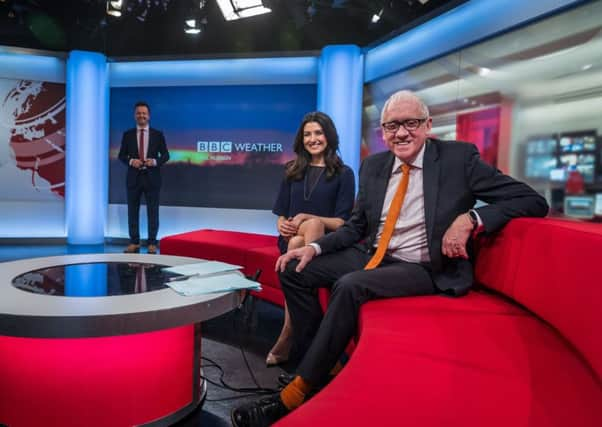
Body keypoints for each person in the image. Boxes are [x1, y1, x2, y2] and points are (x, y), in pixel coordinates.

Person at [231, 90, 549, 426]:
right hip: (372, 254)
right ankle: (329, 360)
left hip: (423, 266)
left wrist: (471, 218)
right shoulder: (374, 166)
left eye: (411, 123)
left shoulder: (459, 160)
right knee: (294, 267)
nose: (401, 133)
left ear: (428, 125)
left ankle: (297, 391)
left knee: (350, 286)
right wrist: (314, 248)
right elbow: (356, 227)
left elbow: (530, 200)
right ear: (383, 132)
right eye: (392, 126)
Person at [267, 111, 355, 366]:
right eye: (307, 134)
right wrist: (282, 225)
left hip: (325, 243)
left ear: (329, 136)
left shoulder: (344, 174)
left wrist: (307, 216)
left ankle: (287, 334)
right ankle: (303, 339)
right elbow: (281, 214)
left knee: (311, 226)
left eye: (318, 133)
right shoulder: (291, 170)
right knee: (294, 242)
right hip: (290, 238)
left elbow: (341, 223)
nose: (313, 139)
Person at [119, 101, 170, 254]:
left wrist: (155, 161)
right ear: (135, 115)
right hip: (133, 178)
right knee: (132, 211)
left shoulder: (158, 134)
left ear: (149, 116)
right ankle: (134, 242)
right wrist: (130, 161)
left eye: (144, 113)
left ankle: (152, 243)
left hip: (152, 178)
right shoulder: (127, 135)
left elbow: (166, 155)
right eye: (138, 113)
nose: (141, 115)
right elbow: (121, 155)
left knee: (153, 211)